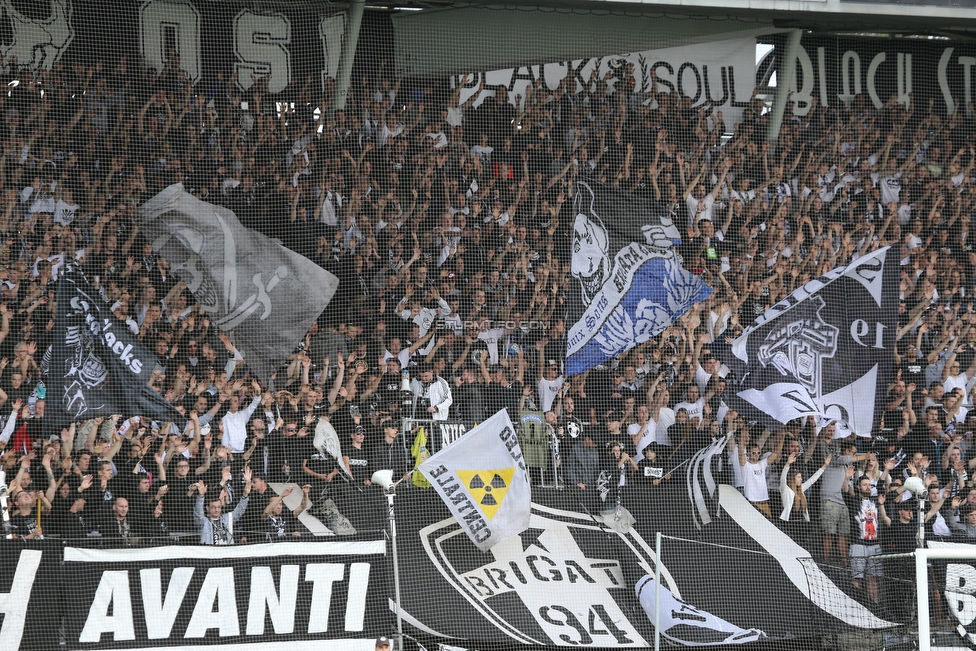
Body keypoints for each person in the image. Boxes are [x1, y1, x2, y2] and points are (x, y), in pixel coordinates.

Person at [843, 467, 889, 605]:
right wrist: (846, 478)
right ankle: (856, 608)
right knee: (856, 578)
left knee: (873, 579)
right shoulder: (853, 501)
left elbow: (889, 491)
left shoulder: (876, 500)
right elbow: (844, 492)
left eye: (869, 485)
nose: (868, 487)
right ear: (858, 486)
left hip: (875, 544)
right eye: (865, 485)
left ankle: (874, 607)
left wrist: (886, 469)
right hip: (858, 544)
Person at [779, 452, 831, 545]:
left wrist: (824, 466)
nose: (801, 479)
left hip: (802, 526)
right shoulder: (786, 490)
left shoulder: (801, 489)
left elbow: (812, 480)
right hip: (790, 525)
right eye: (798, 477)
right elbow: (783, 479)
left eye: (801, 477)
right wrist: (787, 464)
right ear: (792, 478)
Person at [193, 466, 253, 545]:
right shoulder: (203, 522)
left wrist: (245, 494)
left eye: (218, 507)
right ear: (207, 508)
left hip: (227, 553)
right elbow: (198, 512)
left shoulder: (227, 518)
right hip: (210, 553)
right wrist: (201, 496)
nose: (217, 510)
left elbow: (239, 510)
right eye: (213, 507)